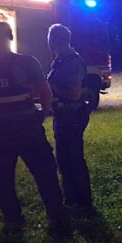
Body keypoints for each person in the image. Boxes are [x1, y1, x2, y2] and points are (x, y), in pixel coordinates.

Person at [0, 22, 69, 238]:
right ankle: (56, 215)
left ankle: (13, 220)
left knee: (4, 177)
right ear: (11, 36)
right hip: (28, 126)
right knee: (45, 172)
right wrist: (42, 113)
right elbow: (45, 94)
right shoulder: (27, 62)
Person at [47, 23, 93, 213]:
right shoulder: (60, 61)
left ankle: (83, 201)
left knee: (73, 159)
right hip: (64, 116)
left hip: (71, 116)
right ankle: (72, 199)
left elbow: (74, 93)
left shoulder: (71, 61)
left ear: (53, 41)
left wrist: (47, 85)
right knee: (65, 159)